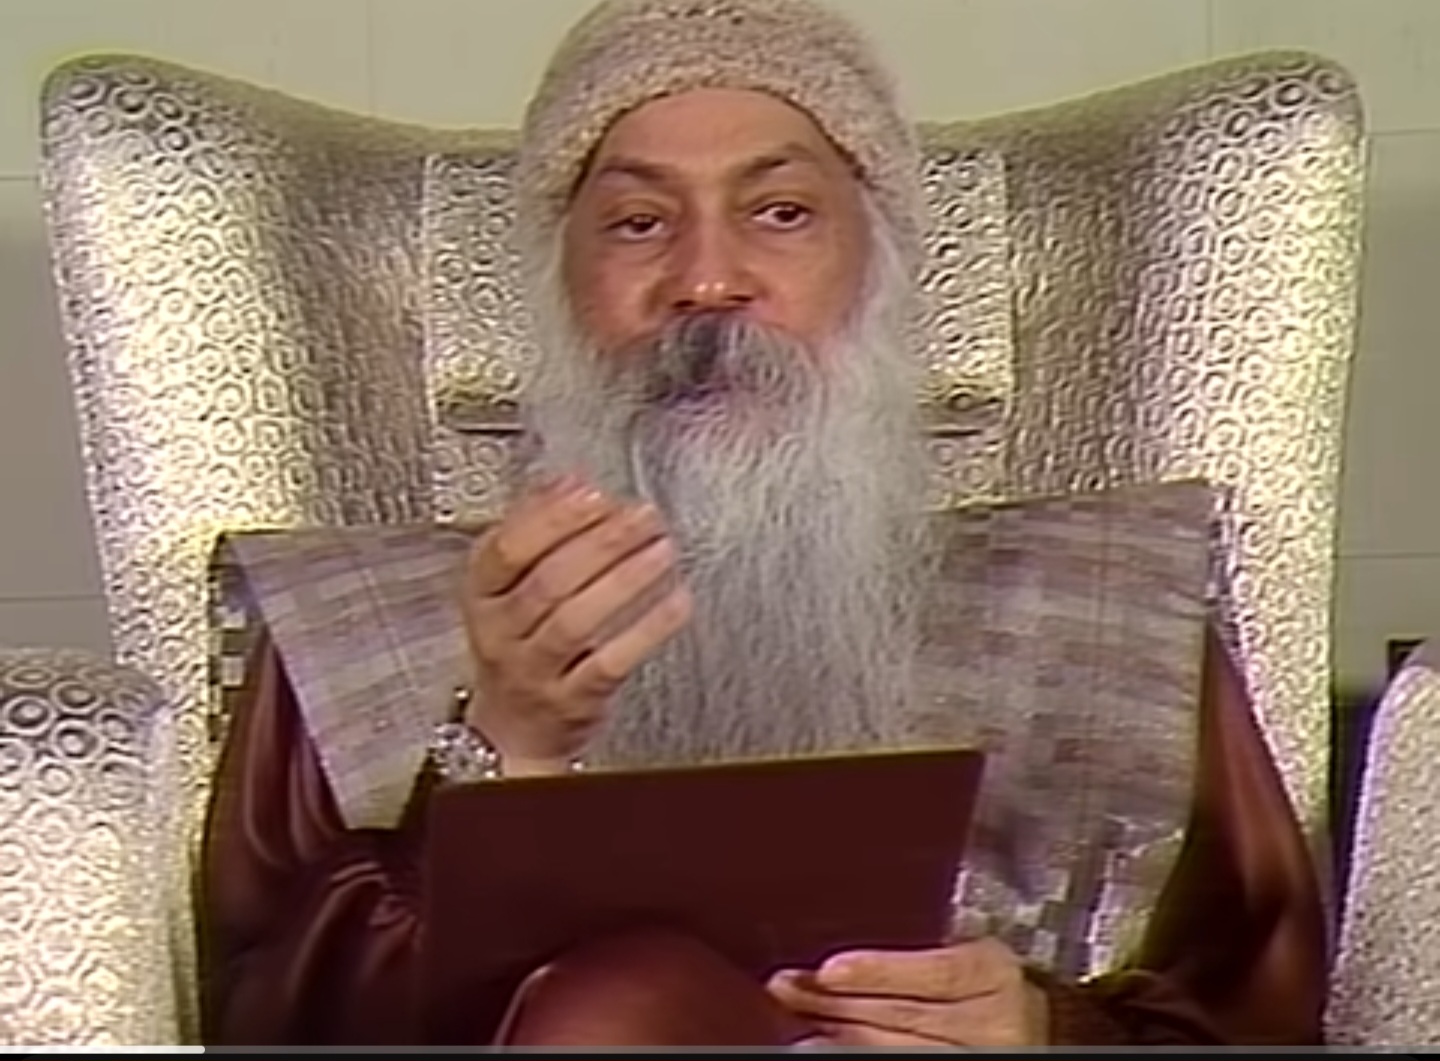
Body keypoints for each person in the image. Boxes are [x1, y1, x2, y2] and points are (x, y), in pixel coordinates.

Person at [198, 0, 1327, 1046]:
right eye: (637, 222)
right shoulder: (350, 619)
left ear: (877, 270)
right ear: (556, 287)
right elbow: (269, 1020)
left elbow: (1261, 1012)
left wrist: (1047, 1028)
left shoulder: (1111, 601)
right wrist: (505, 742)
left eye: (780, 213)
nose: (706, 280)